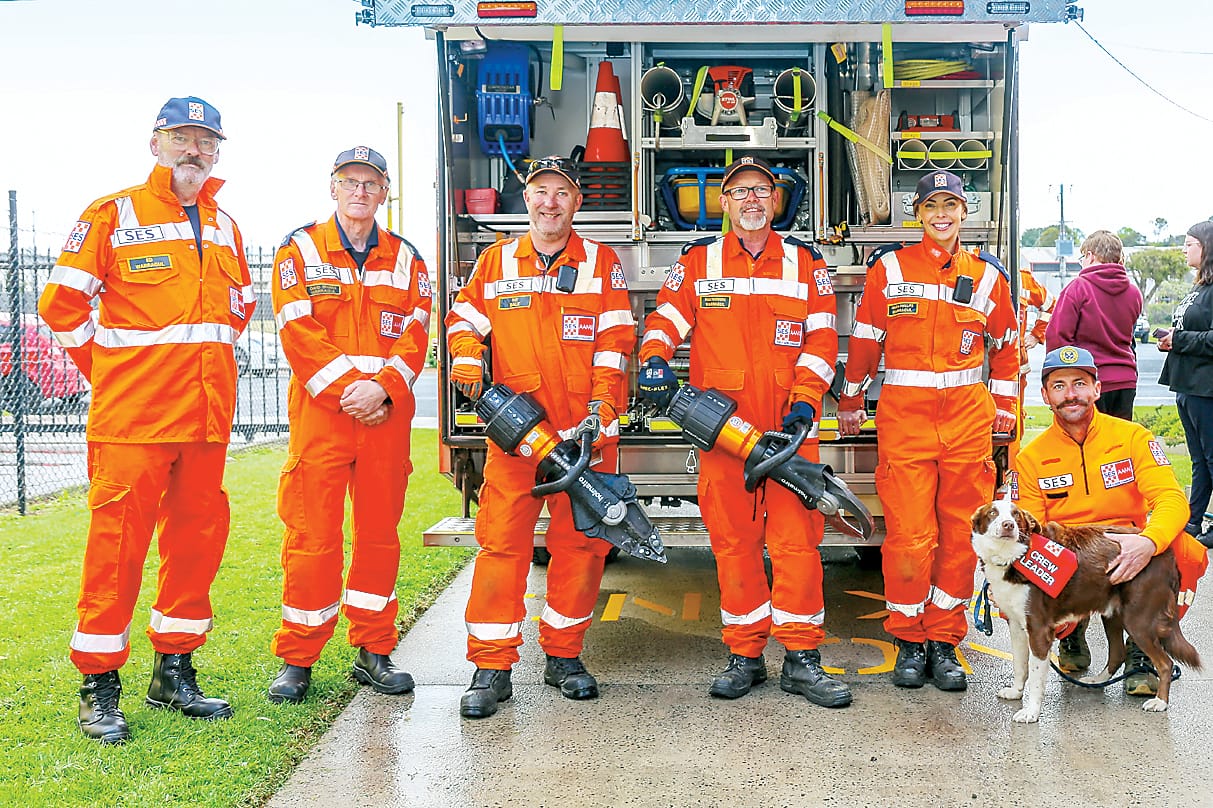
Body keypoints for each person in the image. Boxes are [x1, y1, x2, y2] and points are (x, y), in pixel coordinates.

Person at [38, 96, 252, 744]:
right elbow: (61, 307)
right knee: (116, 554)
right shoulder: (111, 214)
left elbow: (236, 307)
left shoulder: (226, 224)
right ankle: (98, 687)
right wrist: (109, 374)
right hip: (132, 423)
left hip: (204, 420)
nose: (195, 150)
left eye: (207, 140)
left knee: (195, 548)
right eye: (182, 137)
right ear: (155, 143)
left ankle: (174, 672)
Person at [636, 155, 851, 708]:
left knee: (797, 545)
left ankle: (802, 659)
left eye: (762, 191)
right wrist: (656, 359)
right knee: (733, 545)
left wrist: (805, 405)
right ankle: (746, 655)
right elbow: (665, 320)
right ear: (724, 203)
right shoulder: (697, 262)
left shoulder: (807, 265)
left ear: (775, 202)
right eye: (740, 192)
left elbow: (823, 341)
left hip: (788, 435)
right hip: (722, 432)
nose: (752, 200)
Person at [445, 156, 636, 719]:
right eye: (539, 192)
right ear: (524, 200)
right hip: (516, 434)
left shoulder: (602, 263)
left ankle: (565, 656)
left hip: (585, 436)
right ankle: (491, 666)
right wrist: (464, 356)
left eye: (561, 193)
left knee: (581, 548)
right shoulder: (495, 260)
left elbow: (616, 339)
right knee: (503, 546)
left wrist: (603, 407)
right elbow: (463, 320)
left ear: (578, 202)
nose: (550, 202)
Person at [837, 169, 1018, 692]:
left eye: (951, 205)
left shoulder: (989, 277)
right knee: (910, 538)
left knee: (962, 538)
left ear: (966, 213)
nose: (942, 214)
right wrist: (851, 400)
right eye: (932, 205)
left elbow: (1006, 350)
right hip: (907, 420)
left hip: (966, 420)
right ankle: (909, 642)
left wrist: (1004, 409)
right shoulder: (889, 268)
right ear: (917, 213)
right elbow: (867, 339)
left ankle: (944, 642)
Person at [264, 148, 431, 704]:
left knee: (379, 537)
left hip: (386, 419)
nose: (360, 191)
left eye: (371, 183)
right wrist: (352, 395)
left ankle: (374, 650)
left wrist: (382, 388)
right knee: (312, 537)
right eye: (350, 181)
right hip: (323, 420)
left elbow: (416, 332)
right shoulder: (300, 249)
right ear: (332, 188)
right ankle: (299, 658)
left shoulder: (408, 259)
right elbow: (298, 331)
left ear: (385, 192)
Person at [1013, 346, 1208, 696]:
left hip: (1126, 541)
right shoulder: (1030, 458)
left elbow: (1171, 499)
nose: (1070, 394)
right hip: (1069, 554)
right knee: (1022, 571)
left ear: (1097, 389)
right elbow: (1030, 532)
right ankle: (1070, 633)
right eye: (1058, 386)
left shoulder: (1133, 438)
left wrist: (1149, 542)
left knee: (1187, 551)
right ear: (1044, 395)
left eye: (1079, 383)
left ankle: (1144, 642)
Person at [1044, 230, 1142, 420]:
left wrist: (1055, 382)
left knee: (1088, 444)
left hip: (1088, 381)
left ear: (1090, 255)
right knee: (1118, 443)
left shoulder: (1077, 288)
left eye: (1083, 257)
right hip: (1125, 379)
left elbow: (1058, 338)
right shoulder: (1133, 292)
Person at [1158, 220, 1213, 550]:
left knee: (1211, 458)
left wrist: (1180, 339)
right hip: (1188, 385)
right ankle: (1193, 519)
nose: (1183, 249)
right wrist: (1172, 338)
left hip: (1206, 388)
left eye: (1190, 243)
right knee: (1199, 460)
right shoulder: (1198, 288)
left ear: (1206, 248)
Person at [1010, 266, 1055, 463]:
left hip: (1014, 363)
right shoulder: (978, 268)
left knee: (1014, 414)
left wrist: (1037, 334)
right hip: (980, 362)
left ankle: (1012, 465)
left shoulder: (1023, 279)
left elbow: (1051, 305)